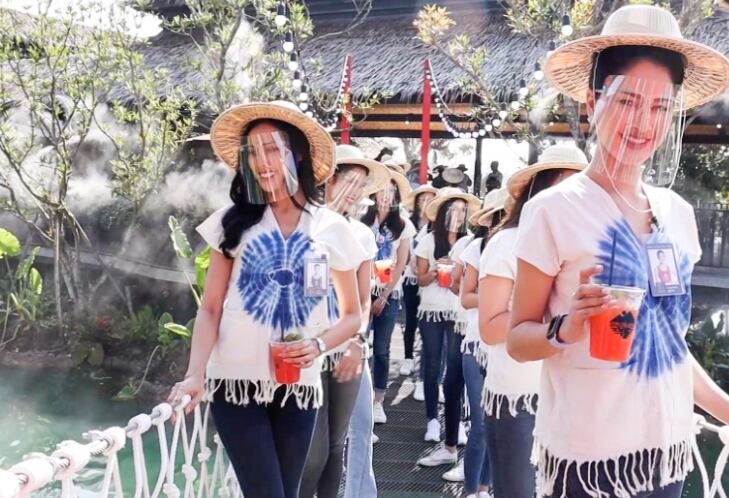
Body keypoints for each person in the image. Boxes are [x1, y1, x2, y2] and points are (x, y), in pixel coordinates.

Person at [507, 6, 729, 497]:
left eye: (659, 107)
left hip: (666, 451)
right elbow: (518, 339)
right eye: (627, 101)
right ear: (593, 100)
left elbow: (667, 345)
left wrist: (725, 407)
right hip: (588, 460)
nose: (642, 122)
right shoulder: (554, 210)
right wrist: (567, 326)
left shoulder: (677, 214)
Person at [167, 101, 364, 498]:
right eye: (253, 152)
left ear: (299, 153)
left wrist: (318, 346)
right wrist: (195, 374)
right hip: (235, 386)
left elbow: (351, 316)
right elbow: (210, 308)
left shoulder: (332, 228)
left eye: (273, 148)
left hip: (300, 388)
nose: (262, 161)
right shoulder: (233, 223)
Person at [480, 145, 586, 498]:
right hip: (518, 397)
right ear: (540, 189)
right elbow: (490, 326)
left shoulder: (583, 249)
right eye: (567, 188)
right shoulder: (506, 243)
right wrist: (551, 317)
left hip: (569, 396)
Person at [301, 144, 389, 498]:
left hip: (347, 346)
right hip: (309, 346)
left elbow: (363, 297)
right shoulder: (306, 223)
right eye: (350, 180)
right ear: (329, 180)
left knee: (338, 443)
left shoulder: (363, 234)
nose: (355, 191)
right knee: (313, 452)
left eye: (362, 185)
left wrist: (357, 341)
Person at [449, 188, 508, 496]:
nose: (502, 222)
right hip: (476, 346)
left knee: (498, 426)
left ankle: (485, 488)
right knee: (482, 423)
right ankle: (472, 490)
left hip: (508, 350)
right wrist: (500, 295)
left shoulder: (524, 246)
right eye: (498, 217)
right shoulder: (476, 248)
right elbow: (466, 296)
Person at [415, 187, 480, 466]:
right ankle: (433, 420)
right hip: (432, 310)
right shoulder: (429, 240)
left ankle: (458, 430)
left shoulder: (470, 242)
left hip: (458, 315)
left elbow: (461, 284)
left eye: (462, 211)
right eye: (452, 210)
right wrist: (437, 269)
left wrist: (455, 272)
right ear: (442, 214)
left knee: (457, 376)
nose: (457, 215)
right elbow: (420, 279)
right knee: (433, 366)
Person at [360, 169, 416, 424]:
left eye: (391, 192)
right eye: (382, 190)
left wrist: (384, 295)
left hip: (388, 293)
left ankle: (378, 400)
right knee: (359, 345)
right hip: (361, 290)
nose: (386, 196)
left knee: (382, 349)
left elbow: (402, 262)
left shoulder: (403, 225)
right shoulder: (361, 220)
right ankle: (356, 399)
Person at [400, 184, 438, 377]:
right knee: (411, 320)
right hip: (410, 279)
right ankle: (407, 358)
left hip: (430, 280)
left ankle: (423, 367)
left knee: (427, 325)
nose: (425, 203)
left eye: (430, 199)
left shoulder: (436, 225)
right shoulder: (408, 223)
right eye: (422, 199)